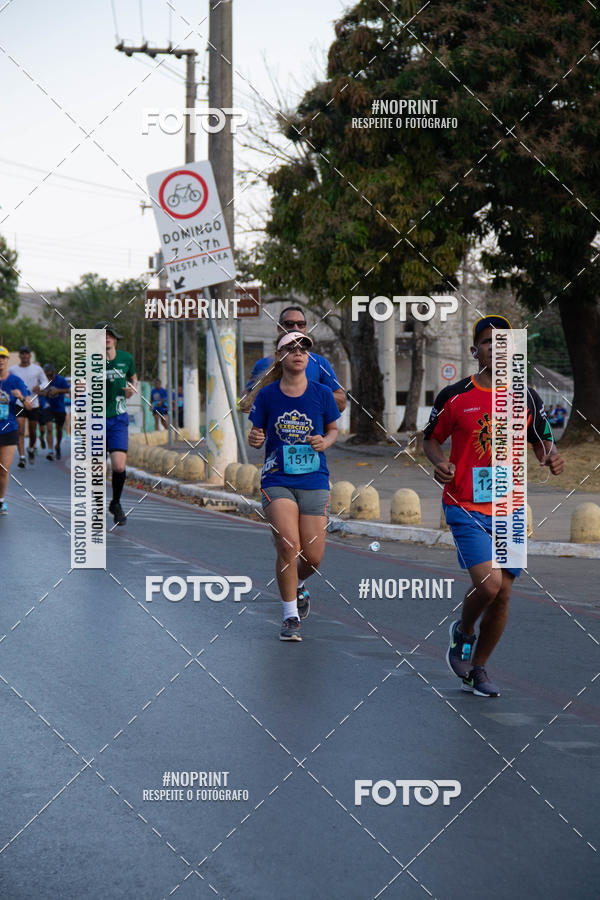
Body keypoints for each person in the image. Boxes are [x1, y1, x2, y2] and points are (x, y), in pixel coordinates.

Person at [423, 315, 564, 697]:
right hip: (464, 502)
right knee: (488, 583)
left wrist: (550, 456)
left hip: (510, 507)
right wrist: (439, 462)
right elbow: (431, 438)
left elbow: (542, 440)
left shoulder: (526, 397)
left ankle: (477, 669)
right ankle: (463, 632)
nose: (497, 348)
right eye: (488, 342)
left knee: (503, 593)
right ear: (476, 351)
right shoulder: (454, 396)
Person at [248, 331, 340, 641]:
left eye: (304, 348)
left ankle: (297, 583)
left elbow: (333, 430)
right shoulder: (267, 395)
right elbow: (256, 434)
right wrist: (255, 438)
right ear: (279, 356)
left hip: (314, 479)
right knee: (289, 545)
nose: (298, 352)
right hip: (277, 479)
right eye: (291, 348)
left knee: (312, 558)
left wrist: (323, 441)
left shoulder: (321, 393)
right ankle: (290, 617)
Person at [240, 306, 346, 414]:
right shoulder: (263, 365)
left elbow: (341, 403)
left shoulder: (320, 363)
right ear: (279, 328)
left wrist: (311, 395)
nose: (295, 327)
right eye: (289, 324)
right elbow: (245, 402)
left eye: (301, 324)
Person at [96, 322, 138, 527]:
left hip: (118, 418)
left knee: (119, 466)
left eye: (110, 335)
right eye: (102, 335)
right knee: (98, 468)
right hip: (95, 418)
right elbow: (79, 386)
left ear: (115, 338)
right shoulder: (88, 361)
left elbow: (133, 379)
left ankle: (116, 503)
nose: (107, 338)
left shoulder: (126, 358)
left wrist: (132, 388)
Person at [0, 345, 32, 513]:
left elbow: (29, 405)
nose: (0, 360)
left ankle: (1, 500)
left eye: (3, 357)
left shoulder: (16, 381)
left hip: (8, 428)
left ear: (7, 360)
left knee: (4, 468)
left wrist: (20, 396)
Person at [9, 345, 45, 468]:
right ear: (19, 355)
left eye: (26, 353)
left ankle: (30, 448)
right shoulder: (13, 369)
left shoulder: (37, 369)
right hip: (19, 403)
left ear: (30, 355)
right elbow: (9, 382)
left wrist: (40, 387)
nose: (24, 355)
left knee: (33, 431)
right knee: (20, 429)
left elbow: (45, 382)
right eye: (22, 353)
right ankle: (22, 458)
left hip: (33, 403)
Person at [39, 363, 70, 460]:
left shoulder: (60, 379)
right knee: (49, 428)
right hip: (48, 407)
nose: (49, 377)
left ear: (54, 373)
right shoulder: (42, 381)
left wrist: (58, 391)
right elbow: (37, 391)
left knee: (59, 429)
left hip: (59, 407)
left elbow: (68, 390)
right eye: (47, 376)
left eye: (51, 375)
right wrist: (46, 393)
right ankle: (50, 451)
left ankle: (57, 446)